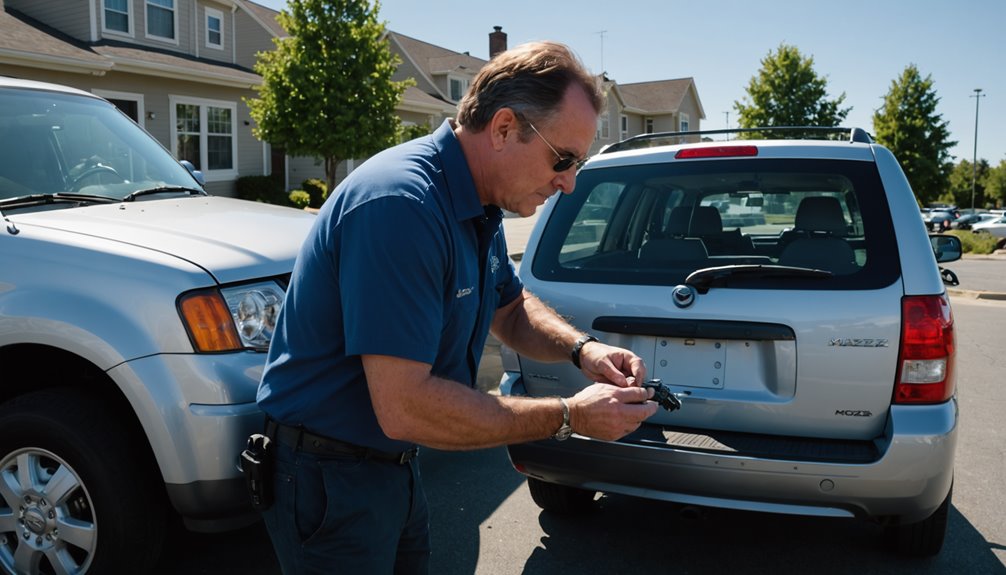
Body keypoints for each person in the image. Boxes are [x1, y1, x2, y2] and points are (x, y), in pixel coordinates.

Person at [255, 40, 659, 574]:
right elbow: (406, 406)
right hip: (329, 474)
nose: (568, 182)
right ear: (504, 128)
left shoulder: (475, 199)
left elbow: (510, 310)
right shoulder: (402, 207)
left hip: (385, 465)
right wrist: (570, 416)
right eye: (563, 159)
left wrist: (584, 350)